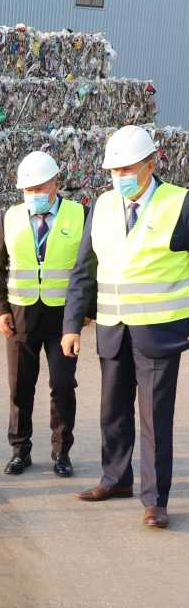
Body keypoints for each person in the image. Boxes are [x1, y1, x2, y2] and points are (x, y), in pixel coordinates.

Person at [62, 125, 189, 529]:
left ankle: (155, 500)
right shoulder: (101, 206)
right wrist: (71, 325)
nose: (120, 177)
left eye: (127, 168)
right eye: (113, 170)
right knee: (112, 412)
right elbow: (84, 270)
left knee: (154, 418)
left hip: (157, 330)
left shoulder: (179, 204)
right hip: (113, 329)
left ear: (151, 164)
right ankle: (115, 479)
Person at [0, 151, 84, 477]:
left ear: (57, 184)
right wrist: (0, 310)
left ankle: (61, 452)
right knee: (20, 387)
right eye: (28, 190)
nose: (35, 196)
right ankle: (20, 450)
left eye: (40, 189)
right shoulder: (10, 218)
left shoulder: (78, 215)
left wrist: (87, 309)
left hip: (63, 320)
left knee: (63, 385)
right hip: (20, 317)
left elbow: (91, 267)